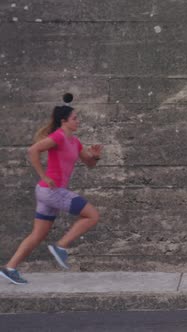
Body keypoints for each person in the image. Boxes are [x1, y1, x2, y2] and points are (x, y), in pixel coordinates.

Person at [0, 94, 102, 285]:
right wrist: (44, 175)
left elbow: (89, 163)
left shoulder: (74, 141)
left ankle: (10, 267)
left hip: (47, 193)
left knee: (37, 235)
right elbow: (33, 150)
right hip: (51, 191)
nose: (78, 121)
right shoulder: (59, 136)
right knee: (92, 215)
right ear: (64, 121)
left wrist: (95, 157)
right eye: (75, 118)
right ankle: (61, 246)